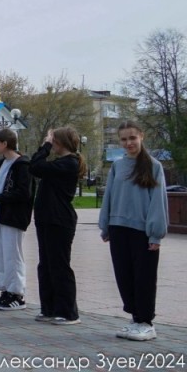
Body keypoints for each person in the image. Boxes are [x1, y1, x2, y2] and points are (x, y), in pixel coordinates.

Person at [99, 120, 168, 341]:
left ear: (141, 137)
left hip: (142, 232)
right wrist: (106, 225)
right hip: (119, 229)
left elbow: (158, 202)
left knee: (144, 277)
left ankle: (146, 322)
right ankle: (135, 318)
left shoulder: (154, 166)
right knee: (124, 276)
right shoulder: (118, 166)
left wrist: (155, 233)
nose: (128, 143)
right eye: (124, 139)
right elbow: (109, 196)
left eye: (132, 138)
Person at [29, 127, 84, 325]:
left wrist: (45, 146)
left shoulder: (69, 163)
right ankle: (50, 308)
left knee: (59, 266)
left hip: (59, 220)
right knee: (46, 265)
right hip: (46, 218)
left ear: (59, 143)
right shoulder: (59, 163)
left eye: (53, 141)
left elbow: (34, 166)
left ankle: (68, 312)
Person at [0, 129, 34, 311]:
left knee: (13, 255)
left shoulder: (22, 164)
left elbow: (22, 192)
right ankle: (5, 290)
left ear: (5, 144)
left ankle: (17, 294)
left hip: (12, 217)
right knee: (0, 255)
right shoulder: (2, 162)